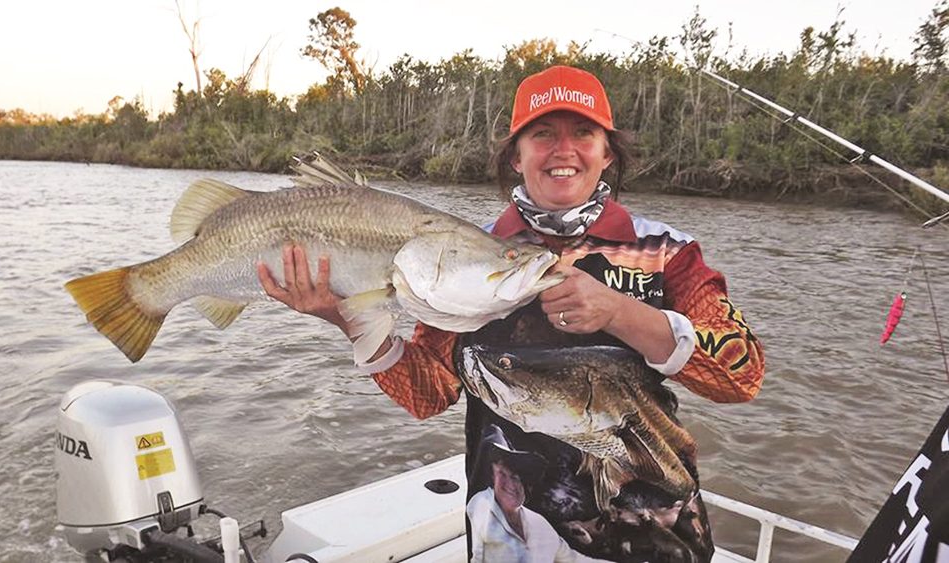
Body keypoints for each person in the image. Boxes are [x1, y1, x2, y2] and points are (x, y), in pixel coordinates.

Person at [258, 65, 765, 562]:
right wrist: (346, 319)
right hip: (511, 539)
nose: (563, 150)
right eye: (542, 134)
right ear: (516, 156)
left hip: (659, 534)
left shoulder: (666, 252)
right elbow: (426, 394)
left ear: (607, 153)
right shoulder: (460, 256)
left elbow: (741, 374)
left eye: (583, 133)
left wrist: (618, 313)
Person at [468, 425, 606, 563]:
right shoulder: (482, 504)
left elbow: (574, 559)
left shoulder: (539, 523)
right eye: (502, 474)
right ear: (491, 478)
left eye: (516, 477)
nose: (511, 485)